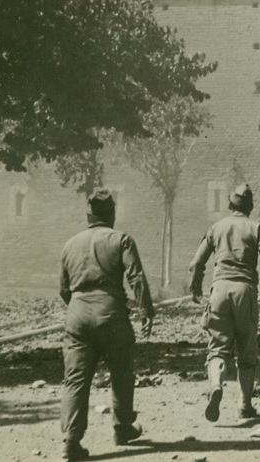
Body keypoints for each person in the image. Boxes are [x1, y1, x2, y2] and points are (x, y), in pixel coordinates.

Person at [59, 190, 154, 462]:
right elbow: (135, 276)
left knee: (75, 380)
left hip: (76, 314)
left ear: (88, 215)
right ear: (111, 214)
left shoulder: (70, 244)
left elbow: (64, 289)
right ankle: (123, 428)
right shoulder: (121, 239)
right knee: (122, 372)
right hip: (111, 313)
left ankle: (70, 442)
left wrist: (80, 309)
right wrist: (145, 309)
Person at [189, 183, 260, 423]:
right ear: (250, 207)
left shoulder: (216, 227)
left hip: (218, 291)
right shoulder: (257, 228)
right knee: (247, 351)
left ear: (230, 205)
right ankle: (244, 404)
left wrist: (196, 288)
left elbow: (197, 262)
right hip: (245, 291)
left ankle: (216, 384)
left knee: (217, 348)